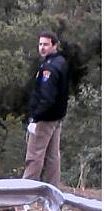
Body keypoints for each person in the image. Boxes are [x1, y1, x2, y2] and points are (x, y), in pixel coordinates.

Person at [22, 31, 68, 188]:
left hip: (45, 119)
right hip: (56, 117)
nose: (42, 47)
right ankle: (53, 193)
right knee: (52, 157)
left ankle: (24, 197)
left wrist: (35, 118)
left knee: (34, 156)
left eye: (46, 44)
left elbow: (47, 98)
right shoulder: (60, 61)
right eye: (40, 44)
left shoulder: (50, 68)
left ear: (54, 45)